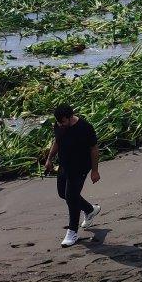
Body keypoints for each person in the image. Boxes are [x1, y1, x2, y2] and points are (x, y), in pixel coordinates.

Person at [45, 104, 101, 247]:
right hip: (64, 165)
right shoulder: (59, 125)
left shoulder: (85, 128)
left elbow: (94, 149)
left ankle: (72, 232)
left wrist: (95, 170)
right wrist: (49, 158)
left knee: (71, 197)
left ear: (70, 117)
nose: (60, 125)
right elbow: (57, 141)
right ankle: (90, 210)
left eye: (63, 122)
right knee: (62, 194)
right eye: (58, 122)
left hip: (81, 167)